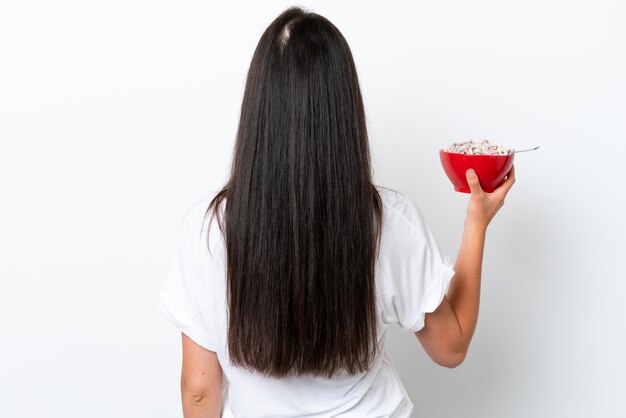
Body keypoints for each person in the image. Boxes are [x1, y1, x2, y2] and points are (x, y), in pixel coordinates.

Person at [157, 6, 515, 418]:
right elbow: (450, 348)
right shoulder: (389, 222)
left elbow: (200, 390)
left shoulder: (207, 230)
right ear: (344, 111)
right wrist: (477, 222)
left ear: (258, 109)